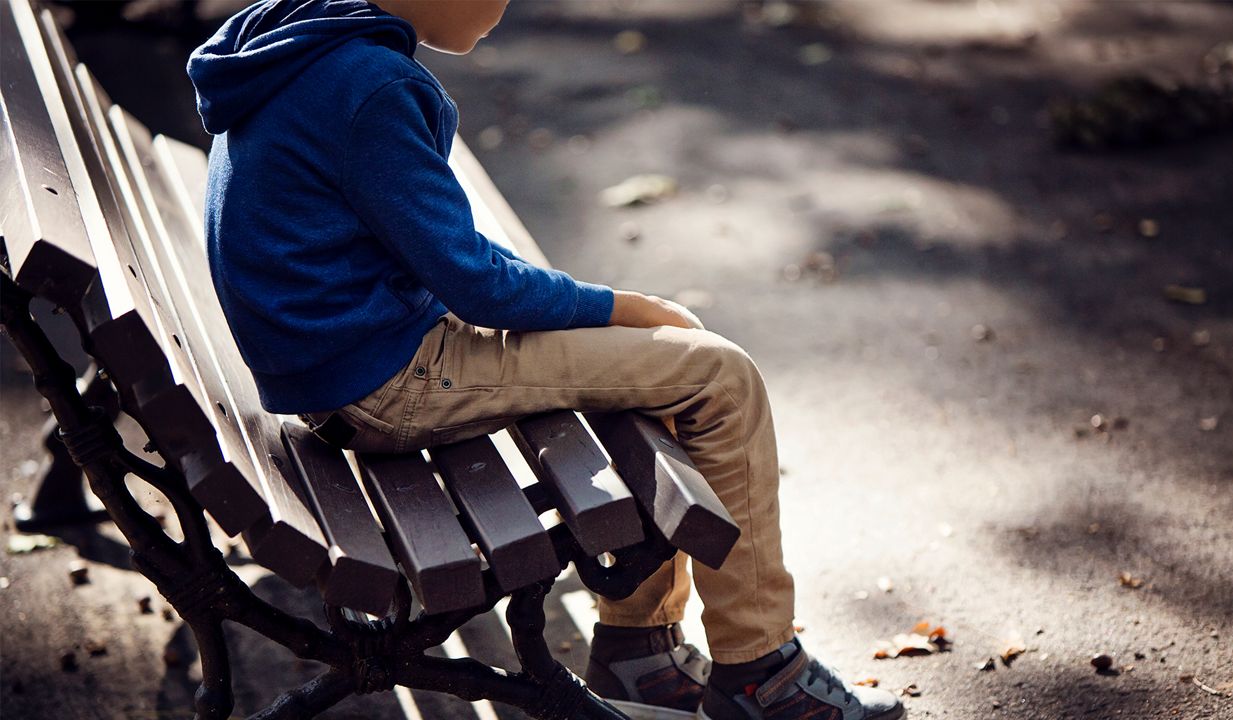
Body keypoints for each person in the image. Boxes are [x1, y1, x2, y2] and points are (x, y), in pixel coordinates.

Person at [186, 2, 903, 719]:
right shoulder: (370, 82)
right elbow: (476, 283)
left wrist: (605, 311)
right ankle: (761, 676)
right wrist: (627, 305)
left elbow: (441, 246)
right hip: (389, 380)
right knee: (720, 377)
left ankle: (640, 656)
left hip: (339, 370)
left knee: (664, 369)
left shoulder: (295, 38)